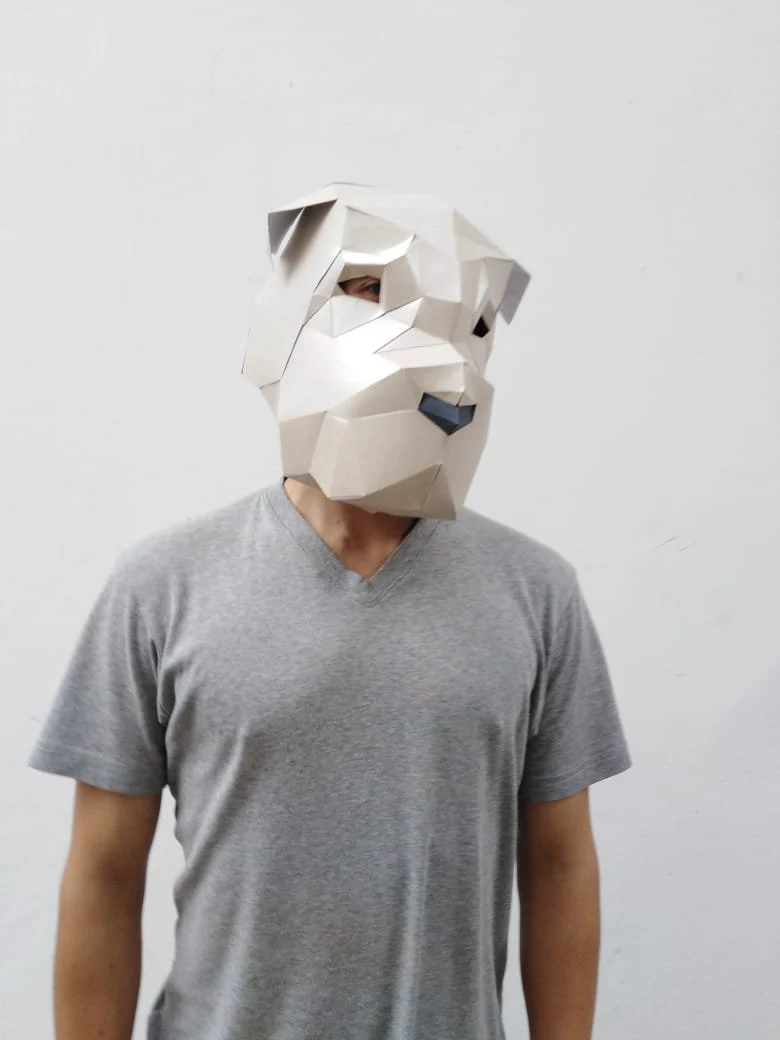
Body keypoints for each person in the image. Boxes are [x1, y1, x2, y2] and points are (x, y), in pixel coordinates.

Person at [30, 184, 631, 1040]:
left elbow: (561, 864)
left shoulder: (537, 593)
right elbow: (101, 874)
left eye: (473, 323)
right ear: (288, 318)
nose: (427, 352)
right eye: (367, 292)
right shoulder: (161, 586)